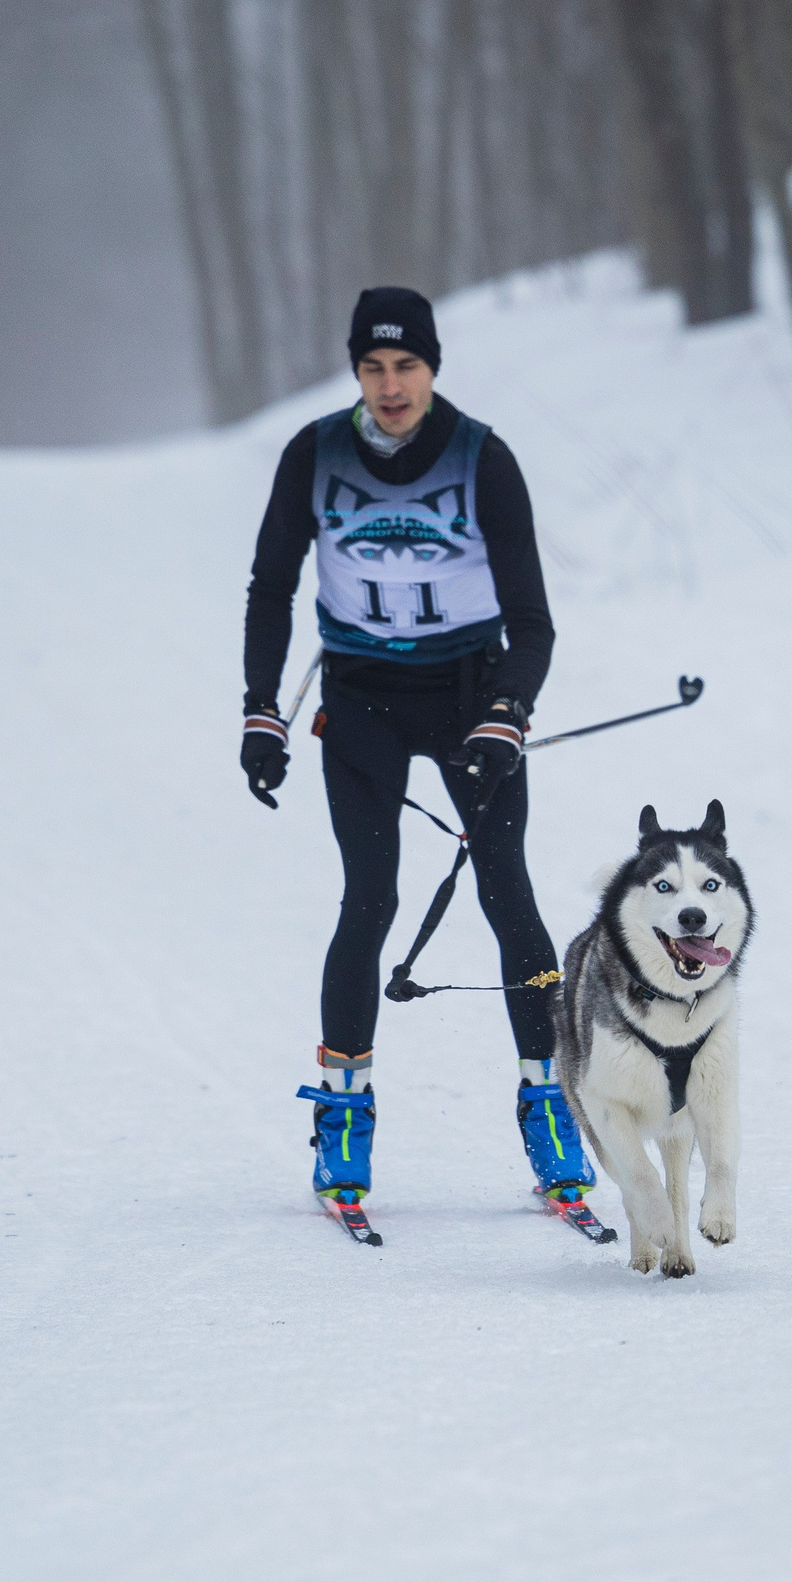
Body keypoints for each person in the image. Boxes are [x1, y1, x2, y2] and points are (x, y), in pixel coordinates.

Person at [240, 285, 594, 1214]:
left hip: (469, 693)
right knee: (371, 898)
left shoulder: (483, 459)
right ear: (355, 370)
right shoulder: (315, 454)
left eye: (407, 366)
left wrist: (507, 710)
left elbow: (533, 620)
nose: (391, 386)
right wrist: (261, 709)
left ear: (433, 367)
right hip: (361, 699)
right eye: (373, 367)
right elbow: (271, 587)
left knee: (506, 890)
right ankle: (343, 1115)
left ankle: (549, 1104)